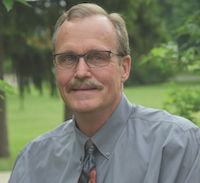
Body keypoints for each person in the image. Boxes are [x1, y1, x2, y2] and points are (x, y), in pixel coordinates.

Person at [9, 3, 200, 183]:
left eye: (97, 57)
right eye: (68, 59)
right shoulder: (33, 161)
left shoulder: (178, 147)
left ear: (124, 68)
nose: (81, 72)